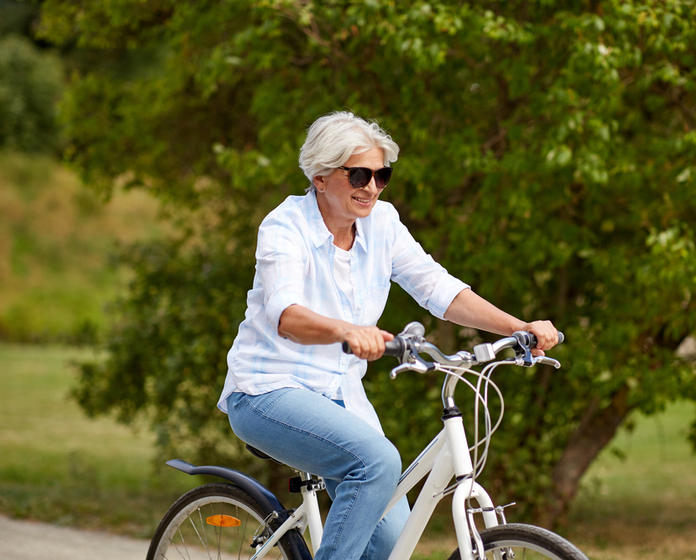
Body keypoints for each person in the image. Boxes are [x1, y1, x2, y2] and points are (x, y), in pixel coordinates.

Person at [217, 111, 559, 560]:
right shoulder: (285, 227)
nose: (372, 187)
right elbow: (286, 315)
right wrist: (348, 331)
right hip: (268, 390)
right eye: (359, 174)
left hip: (342, 398)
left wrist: (519, 327)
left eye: (382, 175)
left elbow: (438, 288)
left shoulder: (383, 223)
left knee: (391, 547)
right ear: (321, 177)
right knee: (377, 461)